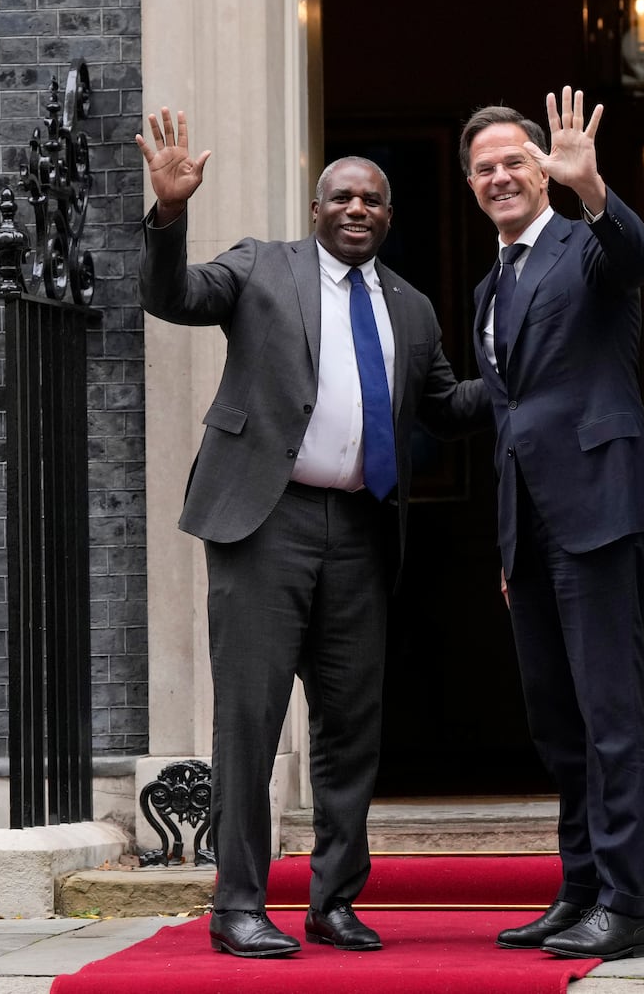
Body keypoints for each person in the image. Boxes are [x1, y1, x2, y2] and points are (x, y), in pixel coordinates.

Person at [135, 109, 484, 959]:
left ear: (387, 216)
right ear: (317, 207)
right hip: (266, 522)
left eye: (373, 198)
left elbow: (443, 408)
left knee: (349, 725)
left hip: (361, 529)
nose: (357, 208)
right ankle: (238, 903)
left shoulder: (410, 308)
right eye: (342, 196)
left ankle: (334, 900)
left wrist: (523, 375)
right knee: (250, 719)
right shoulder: (263, 267)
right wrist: (170, 218)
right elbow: (173, 296)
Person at [460, 88, 644, 961]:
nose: (500, 176)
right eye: (483, 168)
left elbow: (641, 257)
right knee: (558, 722)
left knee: (610, 717)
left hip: (599, 511)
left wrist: (593, 190)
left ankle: (624, 903)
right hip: (531, 531)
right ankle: (580, 886)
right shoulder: (490, 285)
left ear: (544, 166)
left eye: (514, 161)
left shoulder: (586, 245)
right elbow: (509, 409)